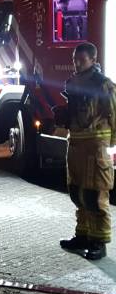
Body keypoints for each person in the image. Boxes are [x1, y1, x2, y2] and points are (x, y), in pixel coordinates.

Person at [54, 42, 116, 260]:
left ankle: (99, 242)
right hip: (76, 145)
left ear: (92, 59)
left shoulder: (103, 85)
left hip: (95, 147)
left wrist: (112, 142)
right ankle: (83, 236)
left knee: (95, 195)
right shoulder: (72, 82)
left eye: (81, 60)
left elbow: (113, 113)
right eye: (74, 60)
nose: (77, 63)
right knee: (77, 193)